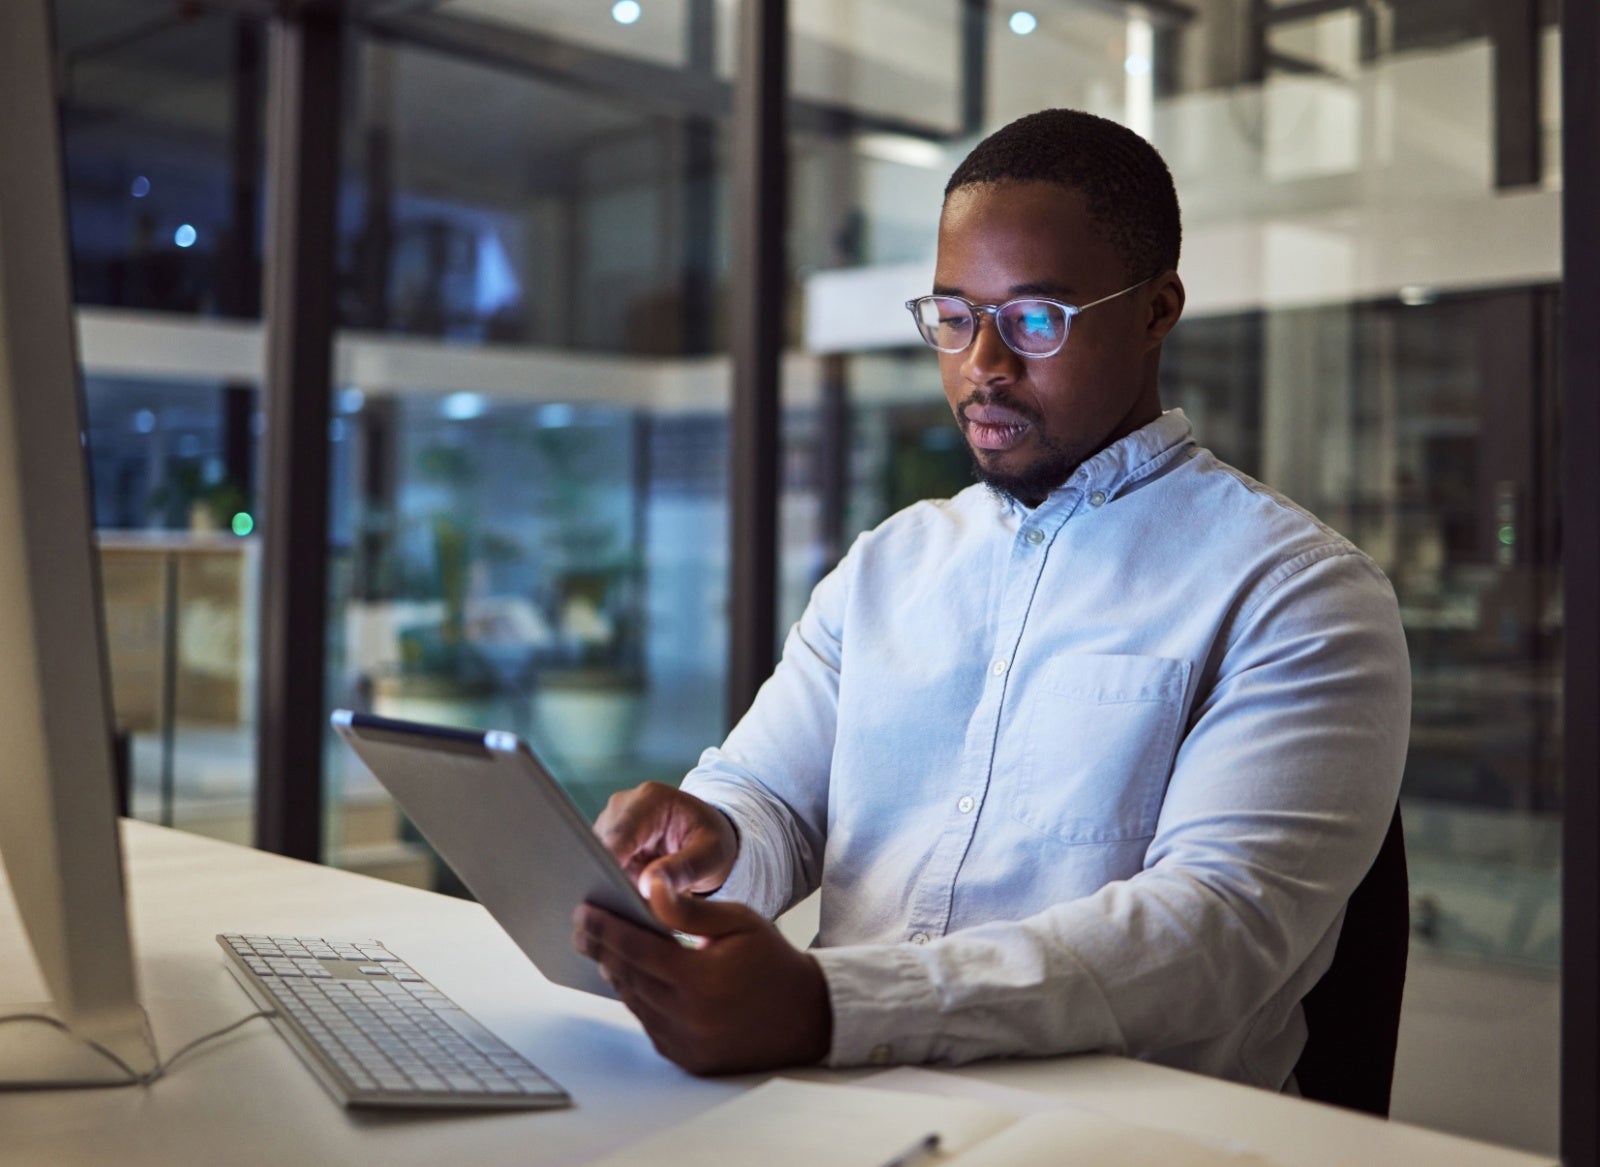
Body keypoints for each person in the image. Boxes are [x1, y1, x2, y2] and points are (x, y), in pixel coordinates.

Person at [570, 108, 1410, 1090]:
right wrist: (713, 843)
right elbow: (770, 803)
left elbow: (1213, 930)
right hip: (832, 1093)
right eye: (954, 317)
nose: (982, 366)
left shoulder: (1298, 592)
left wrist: (832, 1007)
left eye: (1034, 319)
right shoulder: (890, 564)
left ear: (1156, 311)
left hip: (1103, 1135)